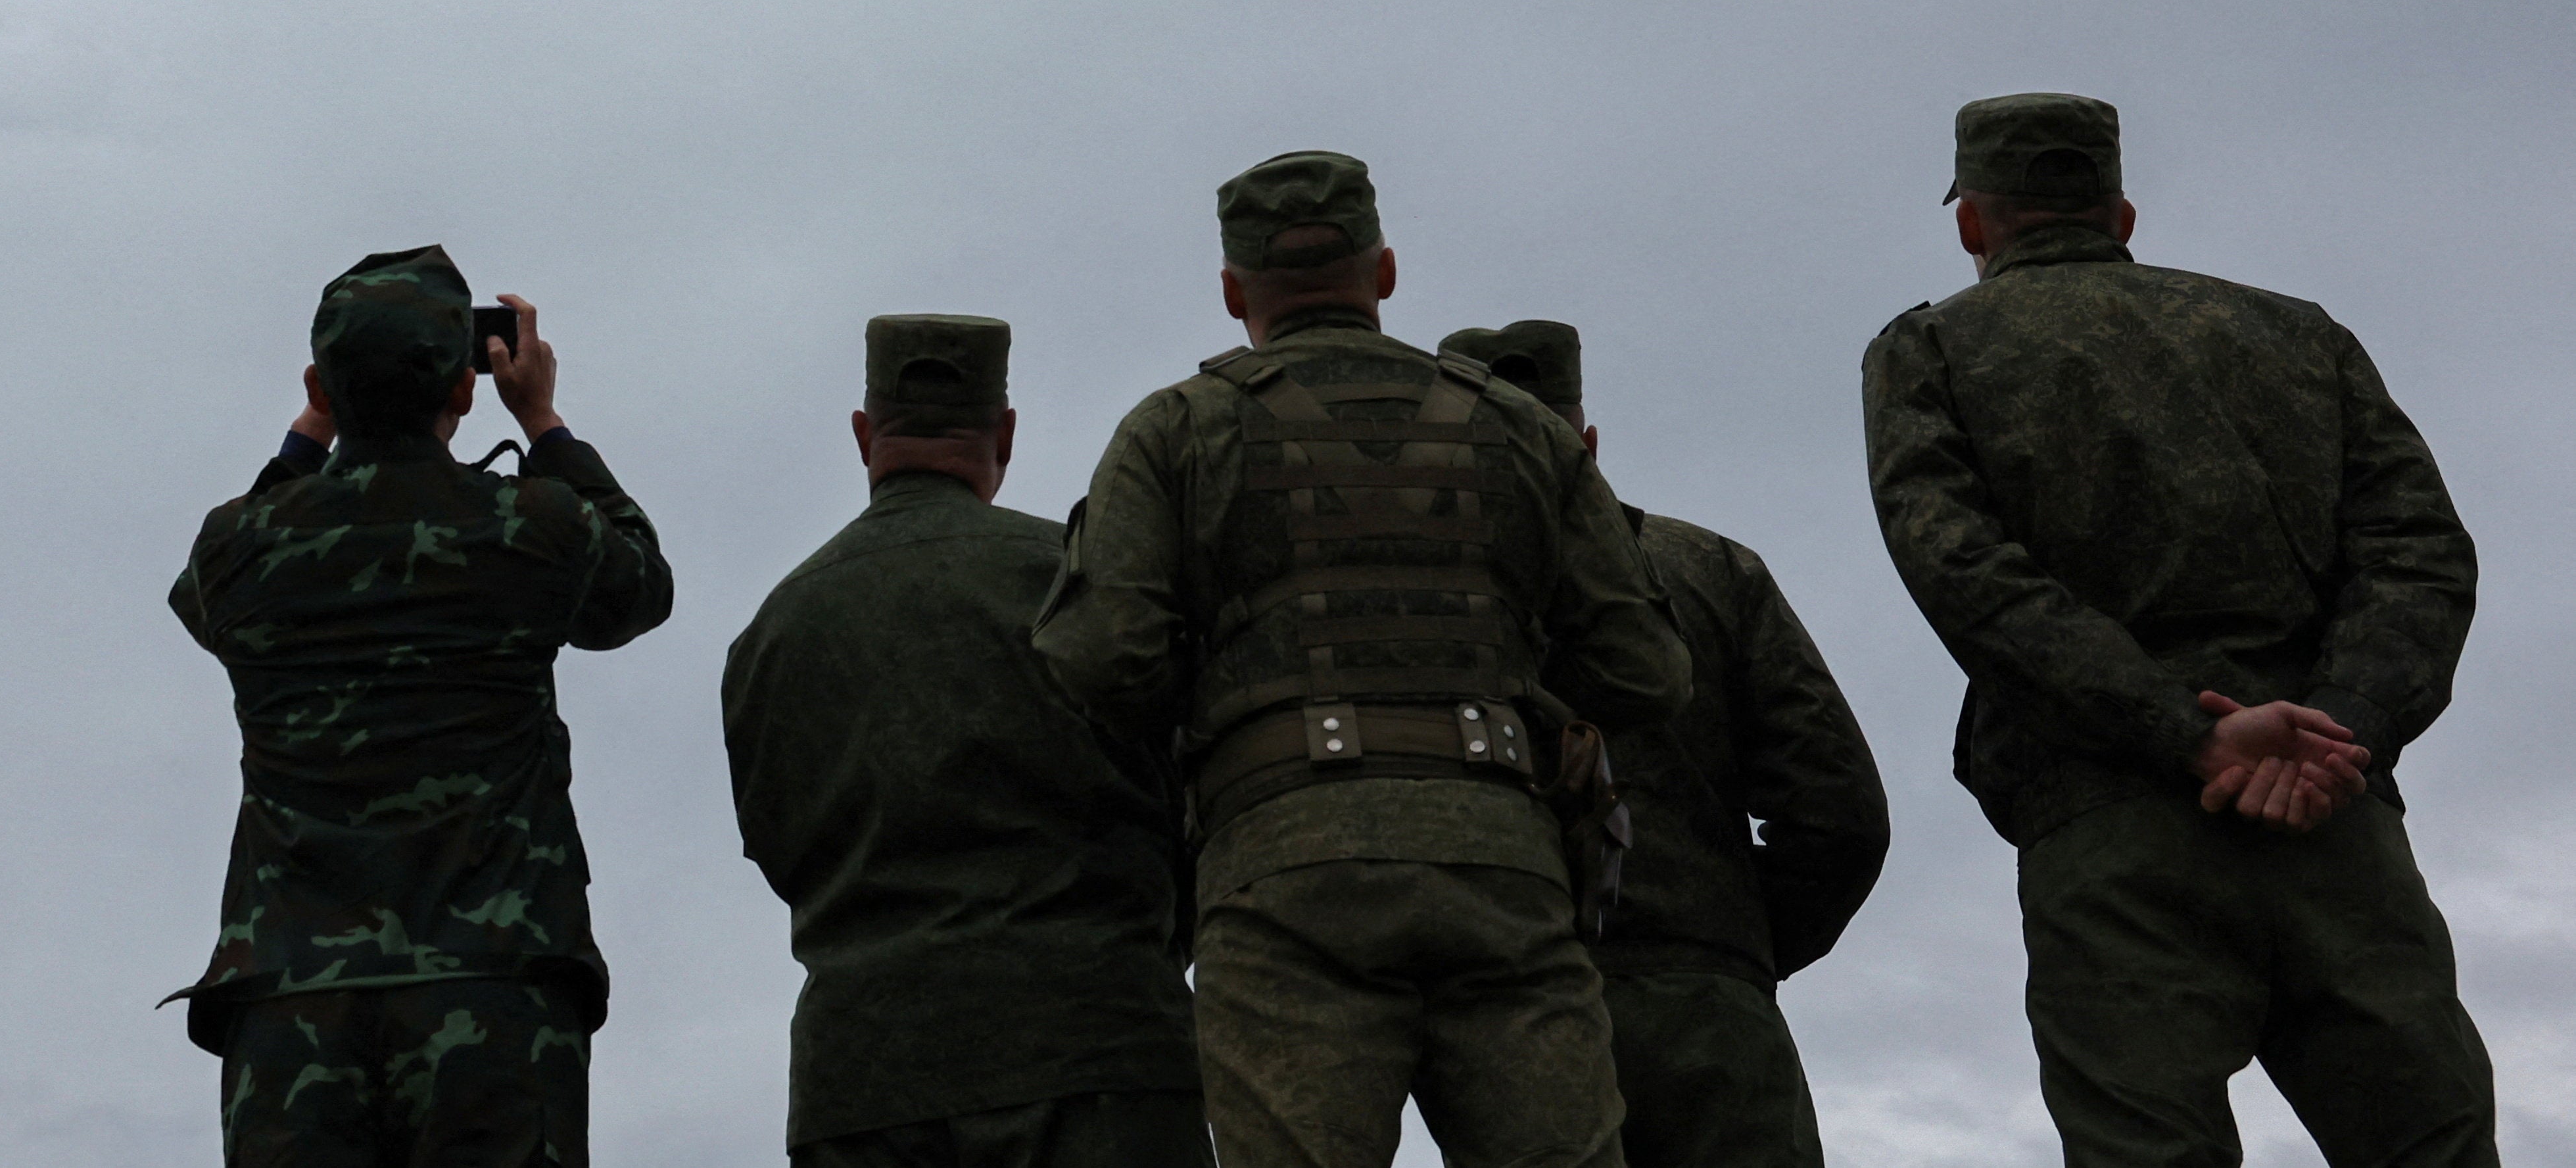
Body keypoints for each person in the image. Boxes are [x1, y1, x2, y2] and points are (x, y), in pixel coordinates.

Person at [1865, 93, 2493, 1167]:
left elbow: (1965, 573)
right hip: (2331, 812)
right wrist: (2339, 727)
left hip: (2110, 821)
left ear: (1971, 220)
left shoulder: (1928, 348)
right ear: (2119, 211)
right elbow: (2418, 553)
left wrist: (2182, 730)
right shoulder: (2298, 333)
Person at [1036, 152, 1687, 1168]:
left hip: (1283, 862)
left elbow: (1099, 658)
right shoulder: (1521, 426)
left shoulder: (1176, 428)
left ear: (1232, 289)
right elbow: (1649, 670)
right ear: (1384, 271)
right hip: (1501, 858)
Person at [168, 247, 674, 1167]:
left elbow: (202, 598)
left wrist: (305, 440)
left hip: (290, 996)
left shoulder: (240, 544)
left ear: (322, 382)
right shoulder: (535, 522)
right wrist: (547, 420)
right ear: (466, 384)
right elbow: (639, 586)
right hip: (492, 991)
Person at [721, 314, 1201, 1168]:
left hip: (862, 1072)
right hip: (1096, 1047)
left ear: (865, 432)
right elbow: (1191, 796)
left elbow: (776, 841)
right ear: (1004, 433)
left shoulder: (777, 628)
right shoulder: (1075, 577)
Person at [1441, 322, 1885, 1168]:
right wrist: (1729, 945)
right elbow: (1840, 815)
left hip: (1507, 1015)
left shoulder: (1414, 598)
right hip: (1710, 1016)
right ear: (1586, 440)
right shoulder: (1712, 569)